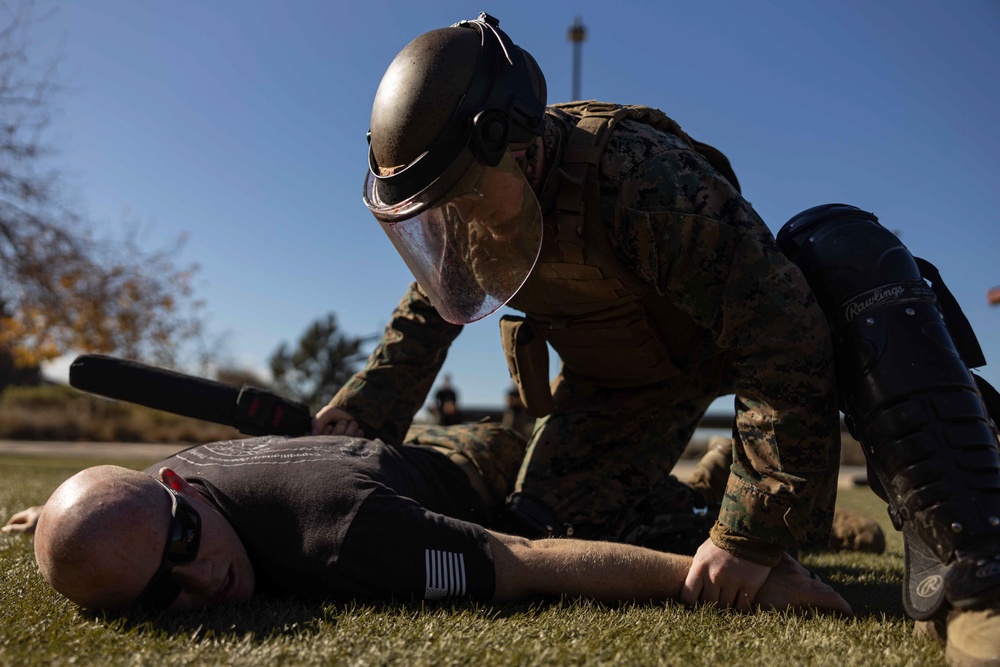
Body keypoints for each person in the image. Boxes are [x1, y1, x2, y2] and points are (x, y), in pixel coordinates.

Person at [309, 14, 1000, 662]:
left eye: (460, 198)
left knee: (843, 250)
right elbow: (429, 312)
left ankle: (975, 566)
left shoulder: (641, 180)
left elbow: (781, 336)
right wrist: (360, 413)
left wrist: (751, 535)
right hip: (622, 377)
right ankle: (708, 495)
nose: (453, 225)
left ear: (514, 139)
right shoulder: (474, 208)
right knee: (548, 528)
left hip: (736, 338)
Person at [5, 425, 849, 616]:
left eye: (181, 546)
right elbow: (128, 500)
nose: (199, 582)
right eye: (157, 594)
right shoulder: (161, 495)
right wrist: (60, 510)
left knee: (665, 513)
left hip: (484, 466)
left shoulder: (345, 537)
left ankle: (723, 482)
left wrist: (735, 579)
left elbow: (532, 558)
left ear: (184, 497)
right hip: (398, 450)